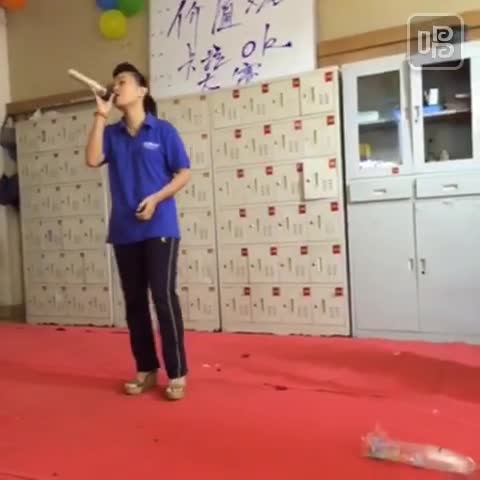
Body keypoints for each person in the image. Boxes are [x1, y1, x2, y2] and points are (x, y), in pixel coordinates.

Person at [85, 62, 191, 401]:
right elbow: (92, 160)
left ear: (142, 90)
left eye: (122, 81)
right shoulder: (112, 134)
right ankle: (146, 369)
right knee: (134, 302)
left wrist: (157, 199)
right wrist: (100, 115)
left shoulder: (163, 131)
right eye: (113, 83)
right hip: (124, 230)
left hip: (160, 226)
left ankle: (177, 372)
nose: (116, 87)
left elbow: (183, 172)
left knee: (162, 296)